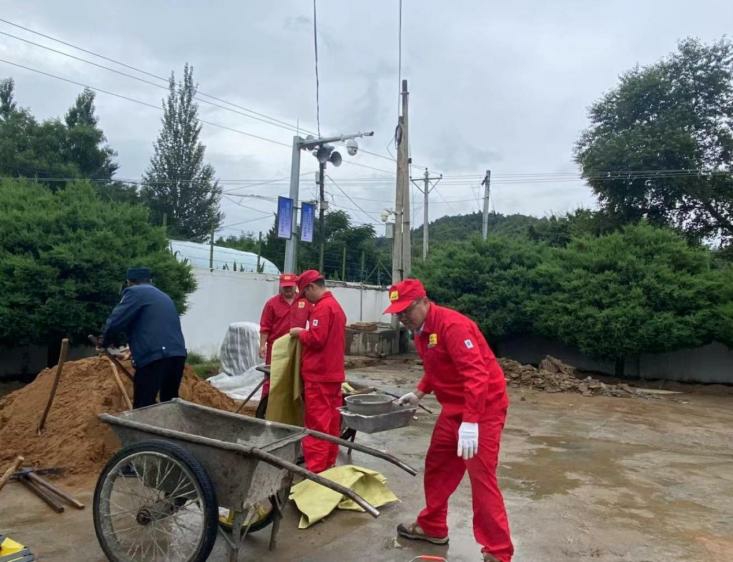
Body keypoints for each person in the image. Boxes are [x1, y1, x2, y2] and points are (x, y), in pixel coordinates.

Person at [386, 279, 513, 562]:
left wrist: (471, 422)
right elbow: (437, 366)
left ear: (423, 301)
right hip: (455, 410)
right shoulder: (421, 331)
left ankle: (499, 552)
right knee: (438, 465)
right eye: (397, 313)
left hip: (484, 409)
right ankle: (432, 526)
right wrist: (419, 392)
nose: (402, 317)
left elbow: (476, 375)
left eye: (406, 310)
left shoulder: (452, 326)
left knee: (482, 480)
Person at [100, 267, 187, 409]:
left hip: (155, 356)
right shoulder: (163, 296)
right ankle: (169, 430)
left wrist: (104, 342)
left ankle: (143, 431)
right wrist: (130, 350)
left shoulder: (134, 292)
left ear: (129, 282)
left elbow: (115, 322)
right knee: (170, 405)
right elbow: (154, 329)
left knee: (143, 406)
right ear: (150, 281)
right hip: (177, 355)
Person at [289, 269, 346, 473]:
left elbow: (316, 339)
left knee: (317, 425)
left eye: (305, 293)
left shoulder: (323, 308)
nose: (306, 299)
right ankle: (329, 466)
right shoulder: (336, 307)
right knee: (331, 424)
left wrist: (300, 333)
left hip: (319, 376)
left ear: (312, 287)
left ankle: (316, 472)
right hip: (333, 374)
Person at [257, 273, 310, 416]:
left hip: (298, 348)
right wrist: (262, 345)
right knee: (272, 379)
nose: (288, 290)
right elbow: (265, 327)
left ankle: (294, 411)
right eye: (285, 287)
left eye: (290, 287)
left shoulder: (305, 303)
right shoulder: (272, 304)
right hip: (277, 349)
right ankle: (266, 410)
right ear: (281, 287)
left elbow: (314, 320)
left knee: (297, 378)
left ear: (296, 287)